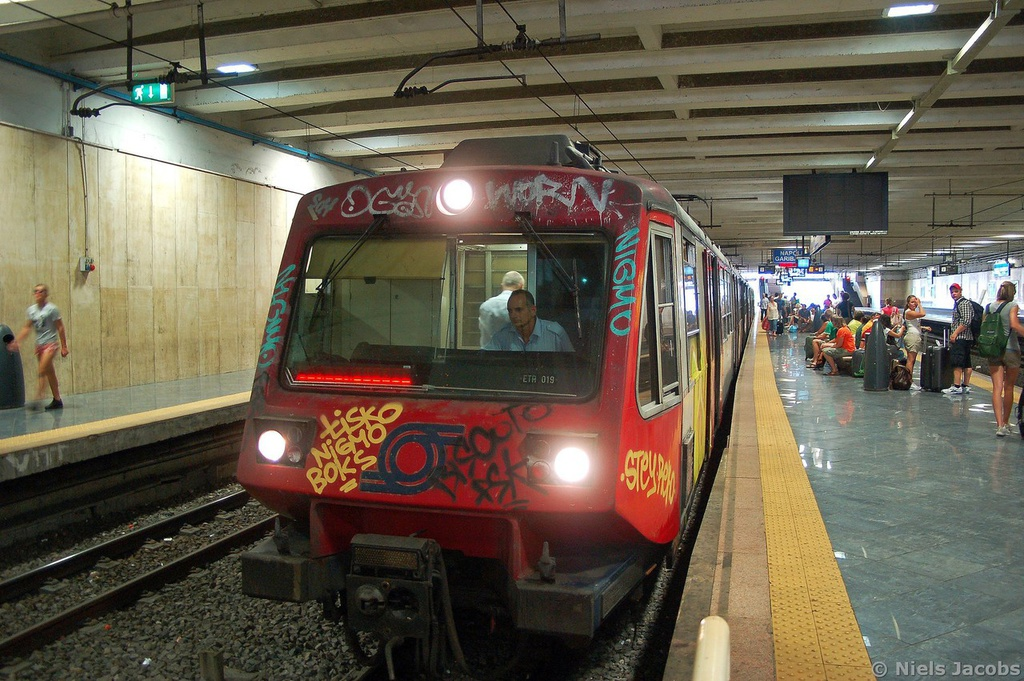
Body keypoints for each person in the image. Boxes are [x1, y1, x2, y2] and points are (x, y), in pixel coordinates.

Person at [7, 283, 68, 410]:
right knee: (50, 372)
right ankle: (57, 399)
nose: (38, 294)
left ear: (46, 294)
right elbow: (27, 327)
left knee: (42, 370)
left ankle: (38, 398)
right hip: (40, 345)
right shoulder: (32, 310)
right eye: (36, 291)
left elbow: (60, 327)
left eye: (41, 291)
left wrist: (64, 346)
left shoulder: (52, 309)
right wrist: (17, 341)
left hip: (51, 344)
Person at [985, 281, 1024, 436]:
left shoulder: (988, 307)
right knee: (1009, 387)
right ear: (1012, 293)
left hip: (993, 349)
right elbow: (1014, 325)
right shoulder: (1012, 306)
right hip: (1011, 349)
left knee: (997, 388)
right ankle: (1006, 422)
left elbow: (984, 326)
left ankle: (999, 425)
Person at [483, 289, 575, 352]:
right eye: (510, 311)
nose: (513, 315)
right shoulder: (502, 336)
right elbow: (484, 360)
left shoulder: (555, 334)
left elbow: (572, 366)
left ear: (533, 311)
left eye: (518, 310)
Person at [942, 283, 975, 395]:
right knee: (966, 362)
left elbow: (966, 321)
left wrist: (955, 333)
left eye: (956, 291)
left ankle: (957, 386)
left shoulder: (964, 303)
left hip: (961, 337)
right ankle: (965, 385)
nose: (953, 294)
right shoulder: (959, 303)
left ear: (961, 291)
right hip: (965, 337)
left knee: (957, 362)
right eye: (952, 292)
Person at [478, 270, 525, 347]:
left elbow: (485, 335)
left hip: (488, 355)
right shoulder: (523, 307)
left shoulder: (485, 306)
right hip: (515, 356)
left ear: (502, 285)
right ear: (521, 286)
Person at [902, 295, 932, 392]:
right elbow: (923, 314)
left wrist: (924, 327)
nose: (914, 304)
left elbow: (913, 325)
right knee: (911, 360)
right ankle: (909, 382)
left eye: (915, 302)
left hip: (913, 336)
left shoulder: (911, 313)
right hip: (912, 337)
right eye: (912, 302)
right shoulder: (909, 312)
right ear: (908, 303)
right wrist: (919, 304)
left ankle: (909, 380)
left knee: (912, 360)